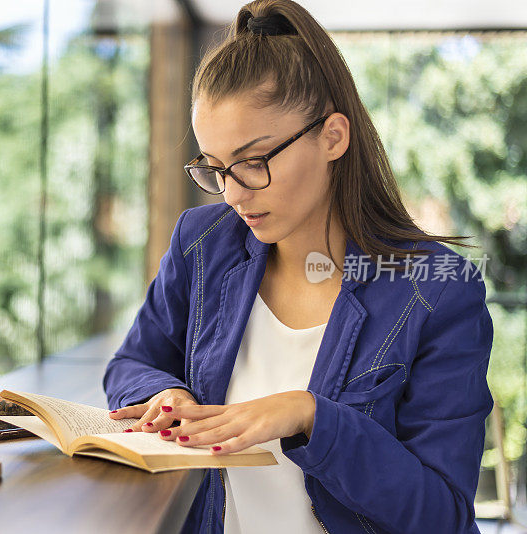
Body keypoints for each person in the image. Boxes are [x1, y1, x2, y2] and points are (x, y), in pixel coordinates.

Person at [102, 1, 494, 533]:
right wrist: (162, 395)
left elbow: (441, 516)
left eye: (254, 161)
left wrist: (311, 416)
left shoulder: (437, 292)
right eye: (215, 168)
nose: (234, 193)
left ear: (332, 136)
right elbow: (131, 365)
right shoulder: (204, 243)